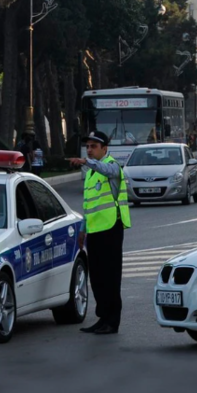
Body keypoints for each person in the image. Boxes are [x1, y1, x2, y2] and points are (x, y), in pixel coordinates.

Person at [67, 131, 131, 335]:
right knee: (96, 278)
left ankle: (113, 321)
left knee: (111, 277)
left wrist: (87, 161)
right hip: (94, 231)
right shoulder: (90, 173)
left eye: (94, 146)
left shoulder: (112, 166)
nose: (89, 149)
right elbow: (88, 205)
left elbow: (106, 170)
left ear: (105, 149)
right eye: (87, 146)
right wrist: (82, 230)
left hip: (111, 229)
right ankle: (102, 318)